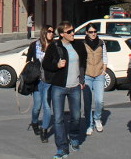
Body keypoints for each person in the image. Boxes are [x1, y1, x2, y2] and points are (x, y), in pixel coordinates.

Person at [42, 21, 87, 159]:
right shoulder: (54, 46)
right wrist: (57, 65)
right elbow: (45, 64)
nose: (73, 33)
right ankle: (62, 147)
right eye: (69, 32)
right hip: (59, 87)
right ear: (62, 34)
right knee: (58, 119)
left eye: (73, 30)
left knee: (76, 116)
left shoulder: (78, 45)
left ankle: (73, 137)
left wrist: (82, 80)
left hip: (75, 87)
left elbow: (83, 63)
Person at [28, 24, 55, 143]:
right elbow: (28, 61)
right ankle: (34, 122)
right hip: (37, 81)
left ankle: (44, 130)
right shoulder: (34, 45)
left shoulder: (54, 46)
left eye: (53, 32)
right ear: (44, 32)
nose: (52, 33)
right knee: (37, 107)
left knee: (47, 106)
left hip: (49, 81)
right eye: (49, 31)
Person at [83, 23, 107, 136]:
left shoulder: (101, 43)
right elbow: (81, 60)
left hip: (98, 75)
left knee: (99, 100)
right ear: (87, 33)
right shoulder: (83, 44)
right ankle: (89, 124)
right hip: (87, 76)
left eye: (95, 32)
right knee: (87, 102)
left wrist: (104, 70)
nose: (93, 34)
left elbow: (105, 57)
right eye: (91, 32)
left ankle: (97, 118)